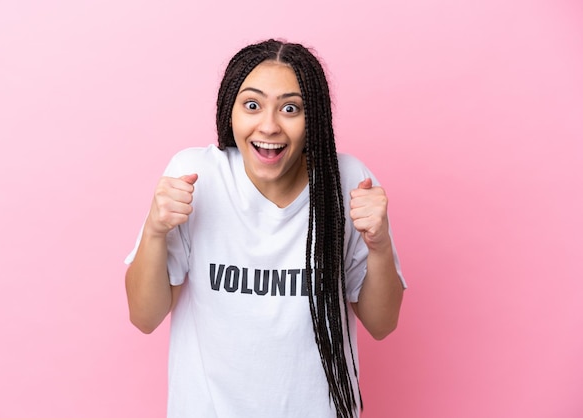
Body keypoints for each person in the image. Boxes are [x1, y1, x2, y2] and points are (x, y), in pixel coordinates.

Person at [124, 39, 406, 418]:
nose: (269, 125)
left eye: (290, 108)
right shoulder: (196, 176)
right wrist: (156, 231)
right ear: (230, 111)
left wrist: (380, 245)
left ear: (314, 119)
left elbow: (382, 324)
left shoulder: (350, 183)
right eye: (252, 105)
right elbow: (144, 317)